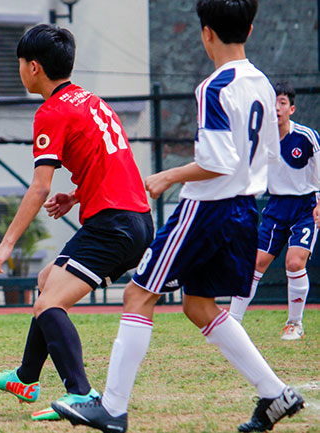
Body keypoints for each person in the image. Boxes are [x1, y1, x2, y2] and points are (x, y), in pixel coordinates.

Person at [50, 2, 305, 432]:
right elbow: (265, 154)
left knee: (138, 296)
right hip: (245, 208)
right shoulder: (262, 82)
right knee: (199, 305)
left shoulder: (214, 87)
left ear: (206, 34)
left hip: (207, 208)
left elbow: (216, 161)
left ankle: (112, 408)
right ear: (251, 27)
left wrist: (166, 176)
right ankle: (275, 393)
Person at [0, 24, 154, 422]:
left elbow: (39, 188)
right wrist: (76, 195)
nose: (19, 69)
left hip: (113, 225)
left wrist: (6, 244)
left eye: (19, 63)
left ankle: (81, 393)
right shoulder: (93, 101)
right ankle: (25, 378)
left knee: (49, 302)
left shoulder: (52, 111)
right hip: (134, 218)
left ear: (33, 67)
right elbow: (113, 159)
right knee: (45, 282)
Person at [230, 82, 320, 340]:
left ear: (291, 108)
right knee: (254, 263)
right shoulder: (260, 139)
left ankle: (295, 323)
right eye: (273, 103)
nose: (277, 108)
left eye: (282, 103)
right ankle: (233, 323)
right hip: (276, 206)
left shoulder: (306, 137)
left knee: (294, 261)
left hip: (305, 206)